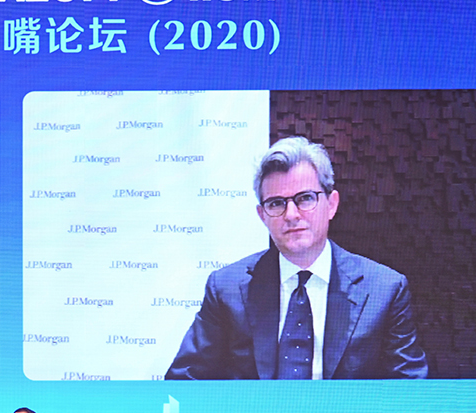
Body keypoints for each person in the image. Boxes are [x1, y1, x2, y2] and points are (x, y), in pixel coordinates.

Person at [166, 136, 428, 380]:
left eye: (305, 198)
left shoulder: (384, 290)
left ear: (332, 204)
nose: (291, 214)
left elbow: (410, 391)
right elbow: (184, 383)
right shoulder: (226, 288)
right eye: (276, 203)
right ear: (262, 216)